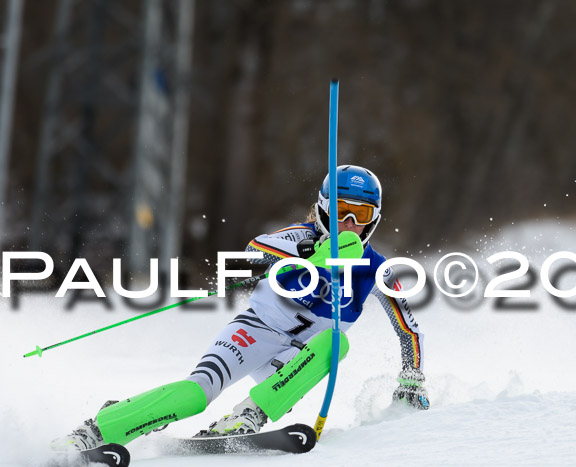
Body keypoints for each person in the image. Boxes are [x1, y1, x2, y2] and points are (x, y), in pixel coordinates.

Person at [52, 164, 428, 452]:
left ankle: (249, 414)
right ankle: (95, 430)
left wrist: (413, 375)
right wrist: (312, 256)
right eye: (343, 210)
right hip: (256, 331)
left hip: (297, 358)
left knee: (336, 344)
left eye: (360, 216)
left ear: (373, 220)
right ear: (325, 209)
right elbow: (250, 254)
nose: (349, 224)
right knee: (194, 396)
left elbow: (408, 327)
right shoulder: (300, 237)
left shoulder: (376, 268)